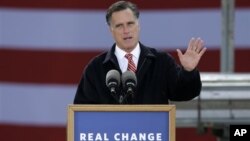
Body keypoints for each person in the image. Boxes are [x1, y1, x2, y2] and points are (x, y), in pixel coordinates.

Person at [73, 1, 206, 104]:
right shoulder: (96, 68)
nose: (126, 30)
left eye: (130, 24)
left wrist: (188, 72)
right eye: (119, 26)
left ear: (139, 25)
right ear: (111, 31)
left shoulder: (161, 61)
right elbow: (82, 111)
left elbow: (184, 93)